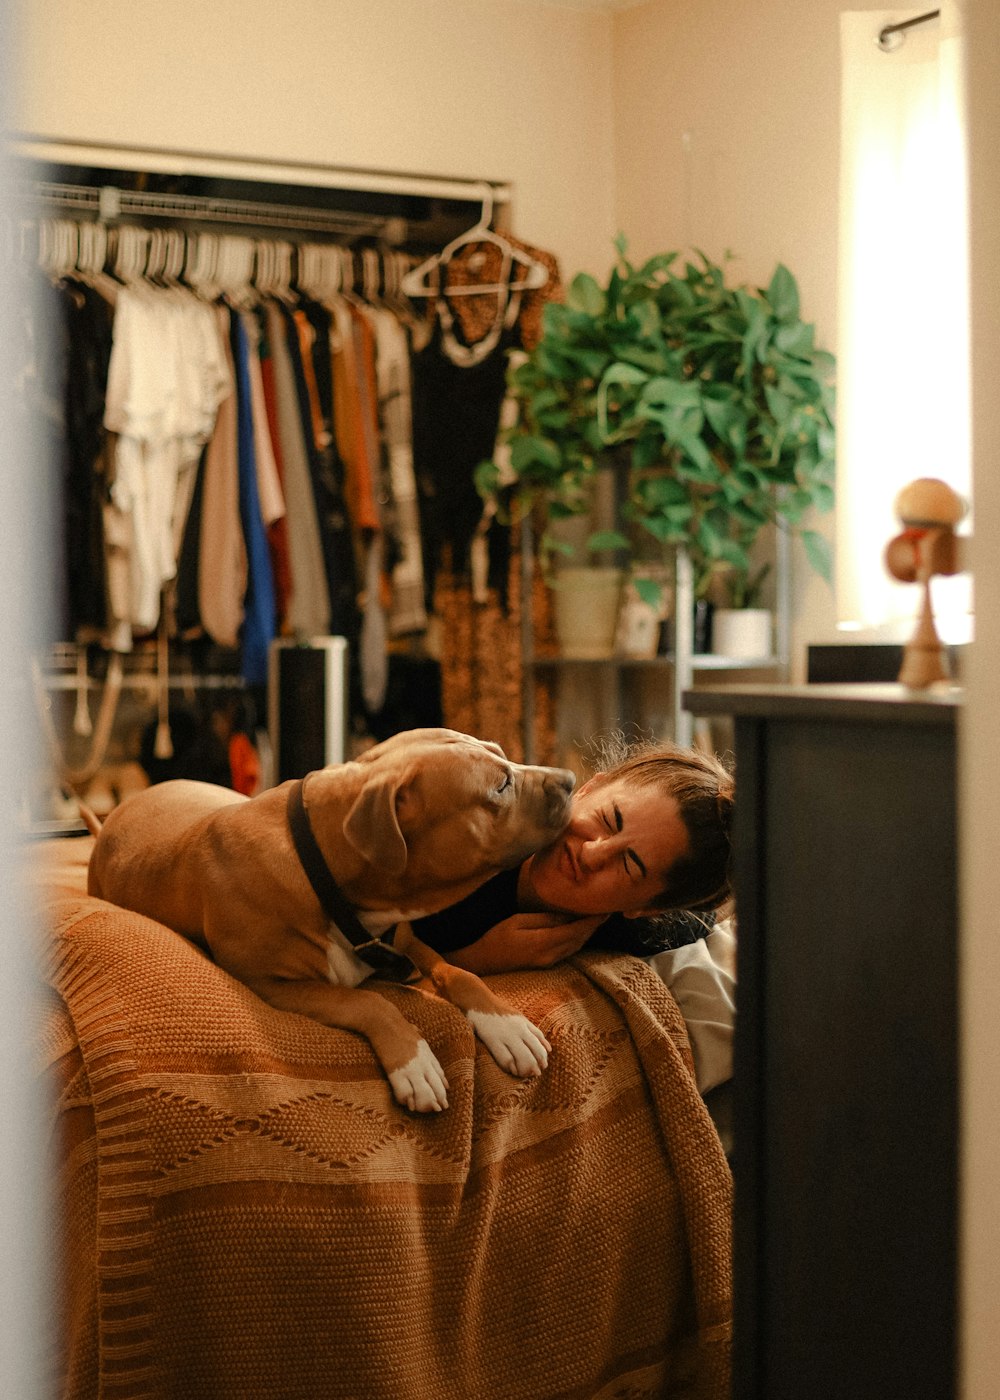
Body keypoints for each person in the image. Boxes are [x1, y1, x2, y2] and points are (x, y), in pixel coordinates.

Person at [412, 734, 735, 974]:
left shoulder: (639, 934)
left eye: (628, 864)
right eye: (608, 820)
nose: (591, 854)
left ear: (647, 907)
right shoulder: (461, 831)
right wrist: (474, 961)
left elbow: (703, 917)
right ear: (588, 789)